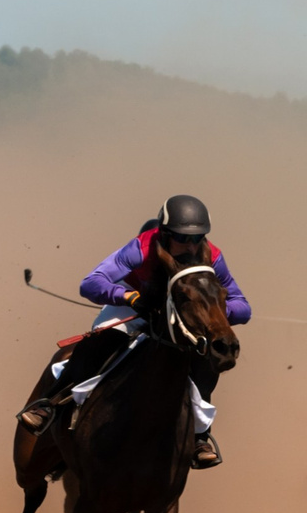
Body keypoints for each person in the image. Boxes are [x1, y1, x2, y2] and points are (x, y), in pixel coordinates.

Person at [17, 195, 252, 469]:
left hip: (180, 319)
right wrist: (129, 296)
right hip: (137, 308)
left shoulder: (211, 255)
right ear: (164, 233)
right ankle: (51, 403)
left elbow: (242, 307)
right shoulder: (141, 247)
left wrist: (211, 313)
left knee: (204, 362)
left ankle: (200, 437)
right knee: (100, 339)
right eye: (182, 238)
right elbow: (91, 283)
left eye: (197, 238)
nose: (190, 245)